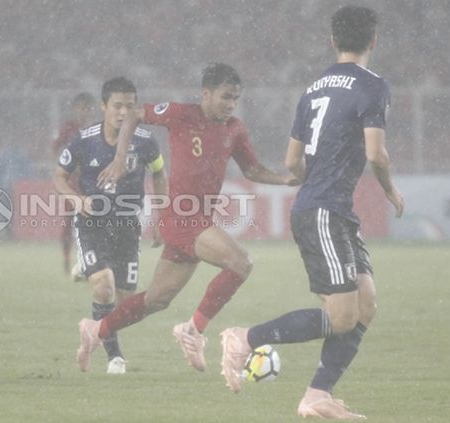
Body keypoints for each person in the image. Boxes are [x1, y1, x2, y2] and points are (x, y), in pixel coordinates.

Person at [219, 6, 404, 419]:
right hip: (324, 210)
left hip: (327, 208)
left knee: (366, 304)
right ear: (373, 41)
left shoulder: (314, 88)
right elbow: (376, 152)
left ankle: (317, 394)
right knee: (342, 317)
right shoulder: (373, 86)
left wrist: (314, 175)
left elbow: (292, 162)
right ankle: (245, 337)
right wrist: (389, 189)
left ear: (333, 41)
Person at [76, 63, 299, 373]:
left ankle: (96, 330)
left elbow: (252, 170)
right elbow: (134, 115)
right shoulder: (181, 114)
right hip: (182, 217)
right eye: (225, 97)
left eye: (235, 98)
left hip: (197, 221)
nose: (231, 104)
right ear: (205, 94)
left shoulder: (234, 128)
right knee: (241, 262)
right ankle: (192, 330)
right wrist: (119, 157)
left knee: (156, 300)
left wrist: (288, 181)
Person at [54, 77, 167, 374]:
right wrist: (78, 201)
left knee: (126, 302)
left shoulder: (145, 141)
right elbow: (58, 177)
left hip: (128, 227)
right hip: (93, 223)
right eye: (117, 106)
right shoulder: (84, 139)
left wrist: (160, 216)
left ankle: (93, 319)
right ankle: (115, 357)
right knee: (104, 288)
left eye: (130, 107)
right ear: (103, 106)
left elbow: (159, 173)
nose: (124, 113)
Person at [51, 92, 96, 277]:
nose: (83, 112)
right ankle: (67, 261)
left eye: (86, 108)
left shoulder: (96, 129)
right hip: (72, 184)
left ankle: (89, 262)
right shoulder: (68, 128)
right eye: (80, 108)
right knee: (69, 222)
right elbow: (55, 148)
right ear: (74, 109)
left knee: (92, 222)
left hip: (92, 183)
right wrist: (65, 168)